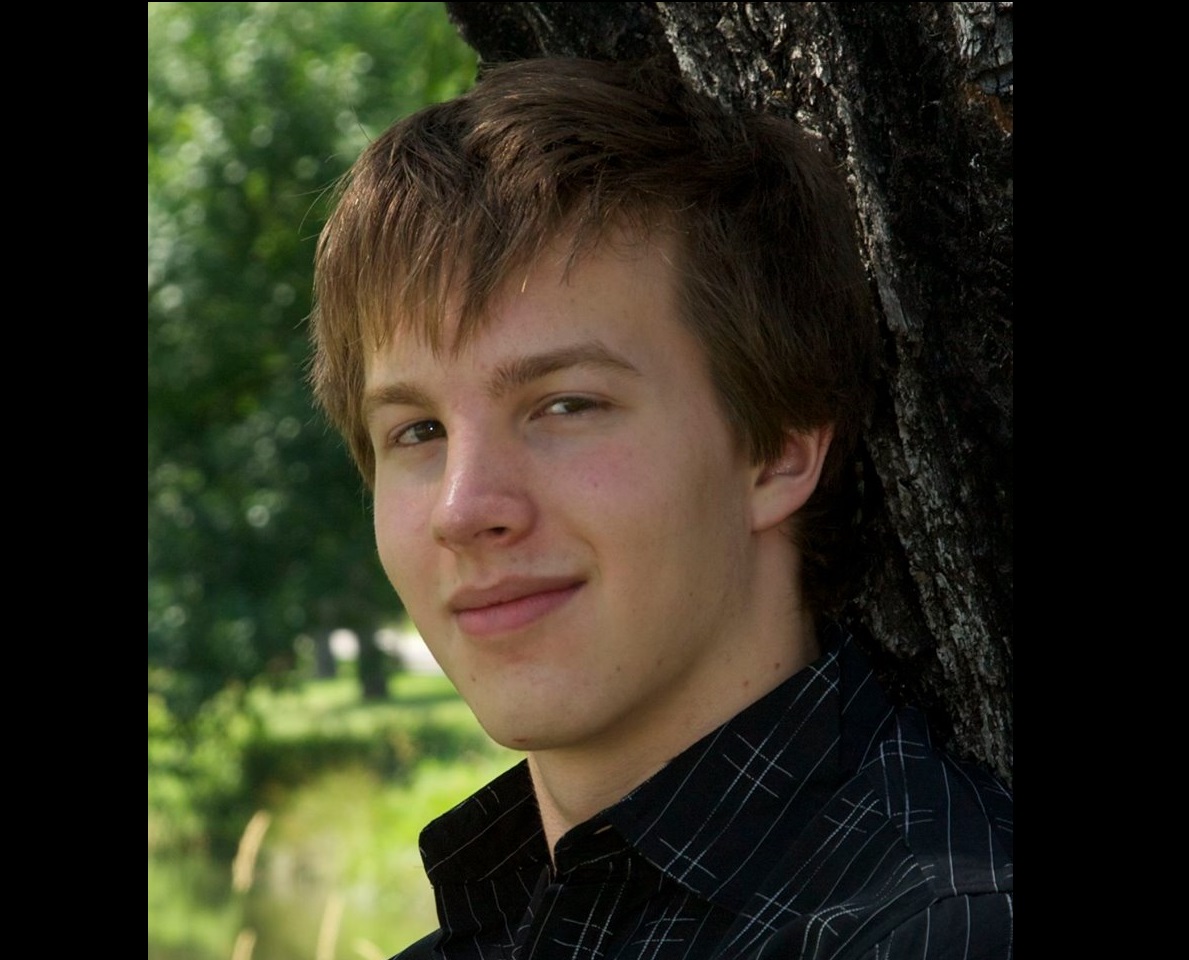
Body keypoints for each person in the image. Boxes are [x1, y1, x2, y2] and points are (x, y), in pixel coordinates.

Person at [309, 57, 1013, 960]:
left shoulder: (944, 935)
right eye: (416, 431)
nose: (463, 508)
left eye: (566, 405)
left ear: (777, 449)